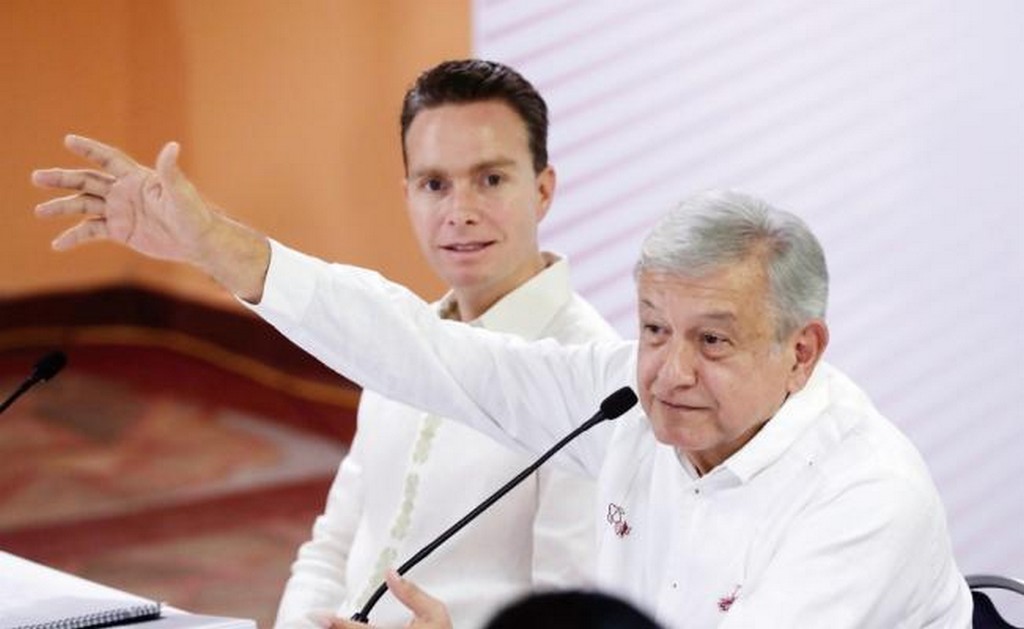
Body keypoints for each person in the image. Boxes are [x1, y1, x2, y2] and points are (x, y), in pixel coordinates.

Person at [32, 133, 974, 627]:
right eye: (653, 329)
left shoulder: (863, 498)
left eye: (714, 342)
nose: (670, 372)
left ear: (803, 351)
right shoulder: (628, 400)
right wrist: (220, 250)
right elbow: (426, 352)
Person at [269, 59, 617, 629]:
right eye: (435, 185)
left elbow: (570, 615)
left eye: (491, 179)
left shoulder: (584, 377)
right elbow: (333, 548)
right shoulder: (400, 340)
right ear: (407, 195)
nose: (460, 213)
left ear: (544, 190)